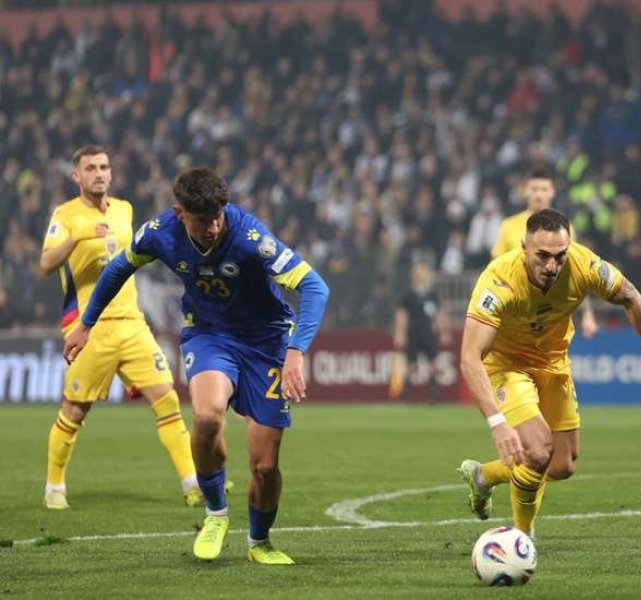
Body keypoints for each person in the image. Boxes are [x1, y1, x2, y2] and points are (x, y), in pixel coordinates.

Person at [64, 167, 330, 565]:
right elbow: (118, 267)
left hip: (267, 341)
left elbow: (314, 286)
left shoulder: (249, 236)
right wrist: (86, 324)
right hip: (210, 335)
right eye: (203, 220)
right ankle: (216, 513)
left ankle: (259, 543)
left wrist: (296, 351)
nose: (213, 227)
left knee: (265, 466)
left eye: (218, 216)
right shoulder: (160, 233)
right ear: (180, 213)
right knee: (206, 417)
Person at [458, 208, 641, 537]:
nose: (552, 266)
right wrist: (497, 422)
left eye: (560, 256)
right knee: (538, 450)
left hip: (554, 363)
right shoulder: (498, 281)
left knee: (562, 465)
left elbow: (631, 297)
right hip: (507, 364)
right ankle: (523, 538)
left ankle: (484, 476)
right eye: (542, 256)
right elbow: (469, 357)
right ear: (524, 248)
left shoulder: (584, 264)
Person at [38, 145, 200, 510]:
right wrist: (78, 237)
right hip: (89, 327)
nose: (99, 173)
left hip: (132, 322)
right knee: (74, 410)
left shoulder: (124, 210)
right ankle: (54, 486)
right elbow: (46, 264)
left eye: (104, 167)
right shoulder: (65, 215)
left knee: (167, 398)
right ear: (76, 176)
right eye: (91, 168)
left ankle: (192, 484)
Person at [492, 164, 600, 338]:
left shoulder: (565, 228)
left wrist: (588, 314)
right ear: (525, 191)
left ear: (552, 192)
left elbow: (575, 272)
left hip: (553, 315)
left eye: (544, 189)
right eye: (534, 189)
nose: (539, 194)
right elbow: (496, 272)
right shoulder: (509, 226)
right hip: (516, 313)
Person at [389, 262, 451, 403]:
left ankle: (435, 397)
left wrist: (443, 331)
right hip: (413, 333)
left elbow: (439, 314)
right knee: (411, 365)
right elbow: (401, 315)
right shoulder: (408, 294)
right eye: (421, 273)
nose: (424, 276)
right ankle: (405, 397)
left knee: (433, 364)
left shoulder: (432, 294)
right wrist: (400, 333)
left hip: (429, 333)